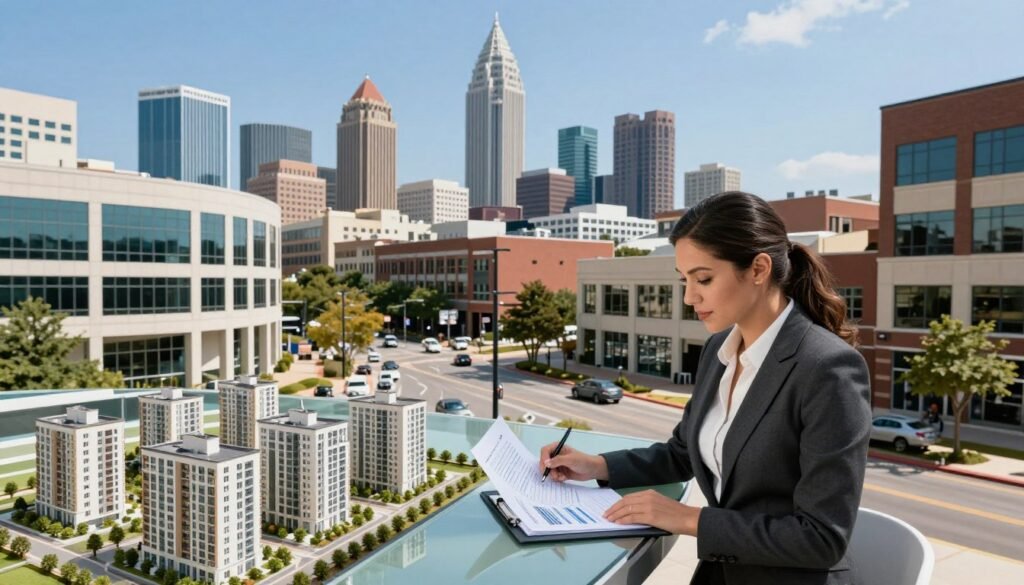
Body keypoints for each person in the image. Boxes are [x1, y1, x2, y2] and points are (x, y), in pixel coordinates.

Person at [540, 192, 871, 585]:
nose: (689, 297)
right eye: (684, 280)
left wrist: (687, 519)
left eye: (704, 279)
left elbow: (821, 538)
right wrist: (597, 466)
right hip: (722, 573)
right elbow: (683, 452)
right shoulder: (719, 349)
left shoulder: (827, 369)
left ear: (759, 269)